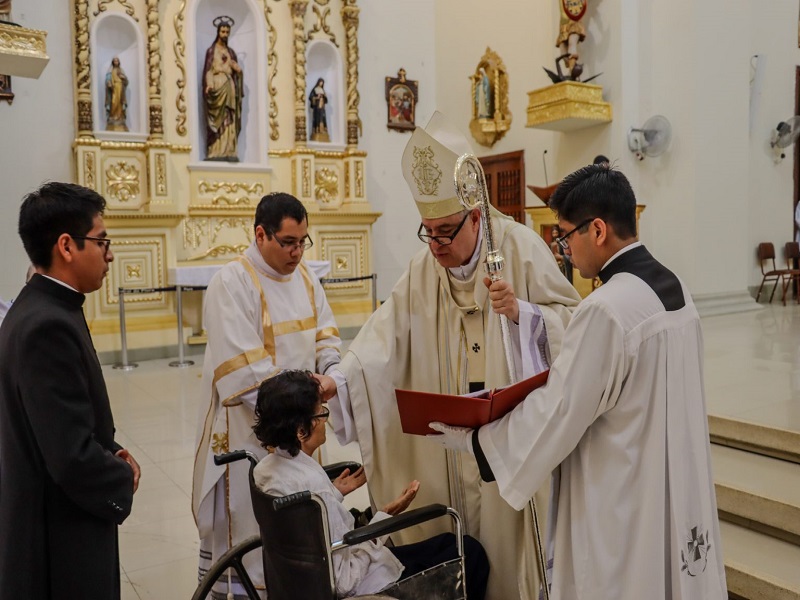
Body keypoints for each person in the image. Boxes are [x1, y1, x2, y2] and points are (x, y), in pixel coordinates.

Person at [429, 163, 728, 599]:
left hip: (623, 499)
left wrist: (478, 442)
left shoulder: (606, 308)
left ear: (599, 230)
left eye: (565, 235)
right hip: (673, 484)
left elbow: (560, 411)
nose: (564, 249)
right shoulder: (676, 289)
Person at [328, 111, 581, 600]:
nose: (437, 245)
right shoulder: (425, 266)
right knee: (457, 532)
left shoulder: (523, 249)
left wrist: (523, 314)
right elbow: (383, 338)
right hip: (451, 441)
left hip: (509, 437)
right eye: (428, 231)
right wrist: (337, 382)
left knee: (508, 551)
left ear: (477, 215)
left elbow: (573, 324)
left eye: (446, 231)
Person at [192, 192, 343, 598]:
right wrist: (306, 401)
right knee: (252, 527)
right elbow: (244, 371)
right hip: (252, 431)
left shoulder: (308, 277)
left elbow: (326, 336)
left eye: (303, 241)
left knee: (297, 535)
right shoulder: (232, 282)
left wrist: (331, 372)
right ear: (261, 234)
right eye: (288, 242)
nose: (297, 252)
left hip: (302, 427)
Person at [0, 182, 140, 599]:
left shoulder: (40, 307)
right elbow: (69, 456)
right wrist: (120, 476)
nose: (109, 253)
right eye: (101, 241)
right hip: (59, 534)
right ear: (66, 246)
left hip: (47, 513)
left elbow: (58, 418)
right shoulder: (49, 325)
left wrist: (107, 446)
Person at [253, 370, 489, 599]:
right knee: (470, 552)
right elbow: (344, 581)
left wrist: (333, 492)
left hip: (298, 584)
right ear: (301, 430)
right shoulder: (313, 486)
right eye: (320, 414)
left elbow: (304, 525)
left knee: (447, 543)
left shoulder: (266, 470)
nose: (325, 420)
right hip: (364, 583)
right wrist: (383, 517)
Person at [203, 15, 243, 161]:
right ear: (218, 32)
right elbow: (208, 70)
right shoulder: (211, 51)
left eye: (227, 32)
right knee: (218, 119)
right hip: (217, 86)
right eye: (222, 32)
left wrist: (238, 71)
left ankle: (229, 149)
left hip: (229, 87)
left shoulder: (231, 53)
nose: (225, 34)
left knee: (229, 117)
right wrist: (209, 84)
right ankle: (216, 149)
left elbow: (237, 71)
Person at [556, 0, 587, 79]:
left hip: (574, 18)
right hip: (564, 22)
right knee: (564, 54)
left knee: (572, 44)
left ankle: (571, 73)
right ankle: (573, 70)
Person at [105, 56, 129, 132]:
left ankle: (120, 117)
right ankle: (112, 116)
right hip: (114, 88)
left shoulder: (121, 70)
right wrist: (109, 82)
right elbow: (108, 79)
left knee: (120, 102)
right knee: (114, 101)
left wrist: (123, 78)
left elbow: (126, 81)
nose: (116, 62)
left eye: (117, 61)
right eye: (114, 61)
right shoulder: (110, 70)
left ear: (118, 62)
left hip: (120, 87)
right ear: (113, 62)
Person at [309, 77, 330, 142]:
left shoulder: (323, 90)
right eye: (321, 82)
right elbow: (311, 97)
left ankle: (323, 130)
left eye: (322, 82)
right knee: (317, 117)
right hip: (317, 106)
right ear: (318, 82)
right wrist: (316, 97)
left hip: (322, 106)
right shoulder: (315, 89)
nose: (321, 83)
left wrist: (324, 97)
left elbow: (326, 100)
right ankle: (317, 130)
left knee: (322, 117)